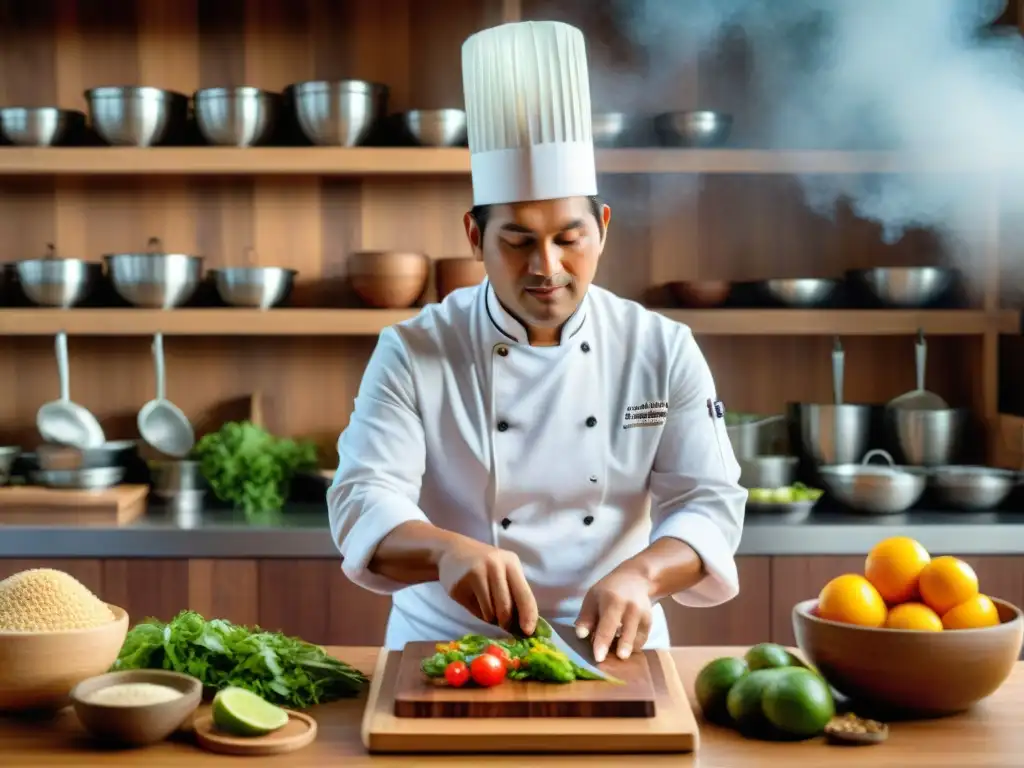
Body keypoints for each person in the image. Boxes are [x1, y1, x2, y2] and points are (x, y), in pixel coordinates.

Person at [329, 20, 747, 663]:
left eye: (568, 238)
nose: (546, 267)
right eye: (518, 241)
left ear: (602, 228)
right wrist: (445, 551)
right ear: (475, 237)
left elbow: (708, 502)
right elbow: (362, 500)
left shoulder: (661, 347)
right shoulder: (414, 350)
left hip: (614, 646)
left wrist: (643, 575)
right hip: (447, 648)